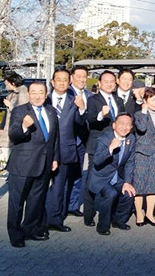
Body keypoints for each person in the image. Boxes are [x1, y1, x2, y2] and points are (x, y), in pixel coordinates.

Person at [6, 81, 59, 248]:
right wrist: (24, 126)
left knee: (36, 201)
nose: (37, 96)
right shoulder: (20, 111)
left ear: (46, 94)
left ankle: (30, 230)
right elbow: (13, 135)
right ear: (28, 94)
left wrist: (55, 158)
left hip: (44, 164)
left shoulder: (51, 111)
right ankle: (15, 235)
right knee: (17, 203)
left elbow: (54, 138)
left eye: (41, 92)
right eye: (34, 92)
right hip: (23, 165)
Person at [44, 68, 85, 233]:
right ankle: (39, 219)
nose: (61, 83)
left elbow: (80, 123)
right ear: (52, 82)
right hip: (44, 150)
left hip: (65, 150)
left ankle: (56, 219)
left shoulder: (73, 100)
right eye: (58, 79)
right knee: (40, 187)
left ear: (69, 82)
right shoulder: (44, 99)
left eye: (65, 80)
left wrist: (82, 109)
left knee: (61, 186)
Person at [84, 70, 124, 227]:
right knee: (93, 180)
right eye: (105, 81)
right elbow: (90, 121)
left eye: (112, 82)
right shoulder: (93, 99)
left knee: (114, 179)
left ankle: (111, 214)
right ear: (99, 83)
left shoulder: (118, 100)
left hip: (116, 145)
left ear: (115, 84)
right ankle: (89, 215)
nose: (109, 84)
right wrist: (101, 115)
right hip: (97, 145)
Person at [87, 113, 137, 235]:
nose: (124, 127)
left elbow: (130, 162)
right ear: (114, 125)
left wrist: (127, 182)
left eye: (128, 124)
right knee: (110, 194)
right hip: (101, 176)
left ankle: (119, 220)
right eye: (121, 124)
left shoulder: (131, 139)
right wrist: (110, 149)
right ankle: (103, 226)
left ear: (131, 127)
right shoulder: (104, 138)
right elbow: (97, 160)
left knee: (129, 193)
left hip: (116, 176)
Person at [132, 87, 155, 227]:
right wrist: (144, 111)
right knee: (139, 185)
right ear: (145, 100)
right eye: (153, 100)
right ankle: (139, 214)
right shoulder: (139, 114)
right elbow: (142, 128)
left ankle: (150, 214)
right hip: (142, 153)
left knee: (153, 185)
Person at [66, 65, 91, 217]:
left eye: (84, 77)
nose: (82, 80)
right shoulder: (67, 94)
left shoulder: (89, 95)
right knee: (64, 176)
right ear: (71, 78)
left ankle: (72, 205)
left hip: (82, 141)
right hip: (68, 141)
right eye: (78, 76)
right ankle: (60, 206)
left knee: (78, 174)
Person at [0, 71, 29, 179]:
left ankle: (11, 172)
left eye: (7, 84)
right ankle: (9, 172)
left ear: (13, 83)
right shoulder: (13, 94)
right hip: (9, 126)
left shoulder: (22, 93)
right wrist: (2, 126)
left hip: (16, 127)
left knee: (11, 149)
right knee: (7, 148)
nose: (5, 86)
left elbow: (22, 111)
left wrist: (10, 105)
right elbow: (6, 114)